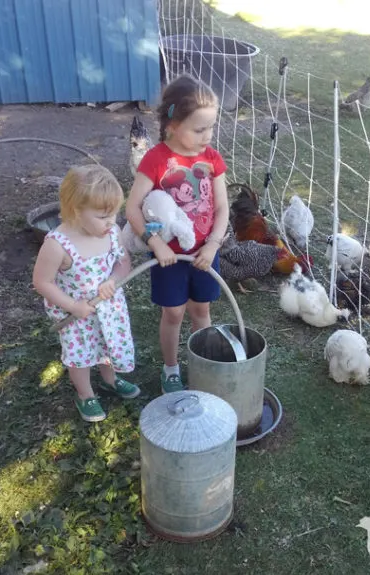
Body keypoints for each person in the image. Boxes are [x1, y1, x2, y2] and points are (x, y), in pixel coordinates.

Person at [126, 73, 229, 394]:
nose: (207, 136)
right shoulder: (156, 160)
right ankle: (171, 369)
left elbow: (223, 208)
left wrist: (212, 246)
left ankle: (205, 362)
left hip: (203, 253)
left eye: (211, 127)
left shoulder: (211, 159)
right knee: (173, 313)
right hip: (168, 257)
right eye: (199, 129)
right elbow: (132, 208)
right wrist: (154, 242)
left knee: (202, 310)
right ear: (173, 124)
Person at [33, 165, 140, 423]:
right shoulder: (57, 244)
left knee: (108, 343)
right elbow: (42, 282)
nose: (111, 221)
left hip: (108, 306)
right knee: (79, 354)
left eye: (114, 213)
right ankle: (85, 393)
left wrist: (113, 280)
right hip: (77, 314)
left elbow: (123, 263)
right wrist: (73, 305)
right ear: (76, 210)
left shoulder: (112, 233)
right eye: (103, 216)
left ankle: (110, 379)